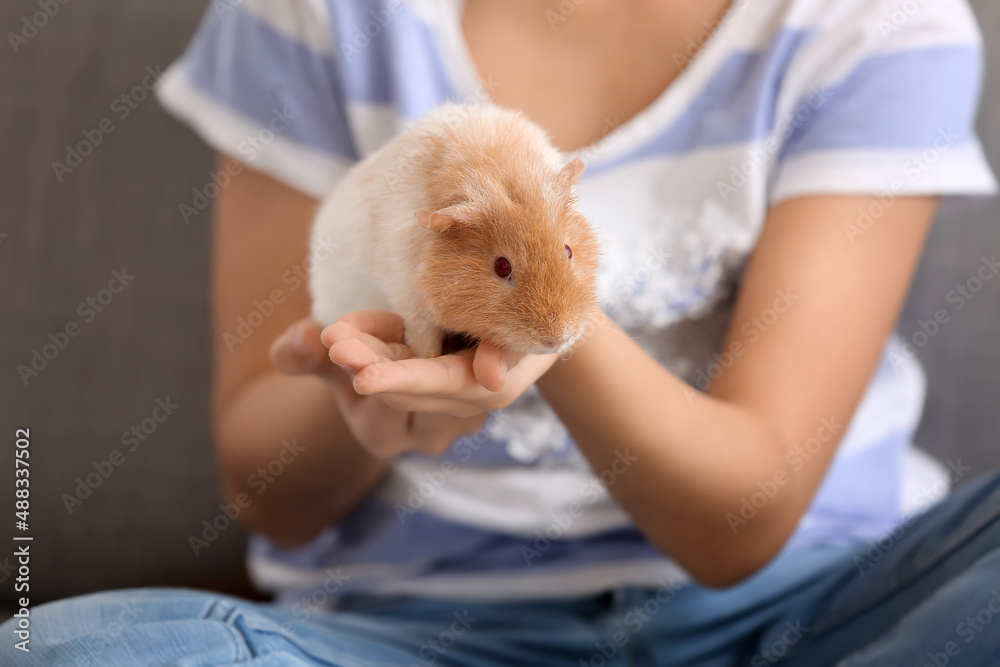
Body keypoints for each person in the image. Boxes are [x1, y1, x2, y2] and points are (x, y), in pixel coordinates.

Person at [6, 0, 1000, 664]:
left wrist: (553, 348)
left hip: (820, 610)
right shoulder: (314, 16)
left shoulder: (876, 24)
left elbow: (737, 526)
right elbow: (265, 490)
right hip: (417, 630)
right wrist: (369, 398)